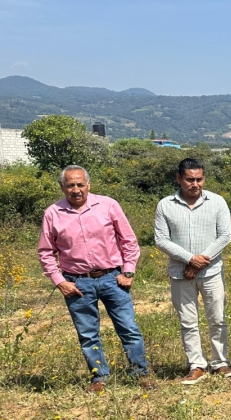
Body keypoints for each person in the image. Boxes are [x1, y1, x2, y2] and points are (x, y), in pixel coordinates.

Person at [38, 165, 154, 392]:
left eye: (80, 184)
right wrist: (59, 281)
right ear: (62, 187)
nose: (76, 189)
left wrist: (128, 271)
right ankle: (99, 378)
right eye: (70, 185)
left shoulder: (108, 205)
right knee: (88, 334)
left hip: (113, 278)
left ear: (88, 185)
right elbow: (45, 251)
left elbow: (129, 241)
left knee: (128, 328)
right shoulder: (53, 213)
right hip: (77, 283)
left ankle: (141, 373)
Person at [154, 158, 231, 385]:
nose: (195, 184)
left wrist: (199, 262)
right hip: (180, 273)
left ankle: (220, 363)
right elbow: (161, 240)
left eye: (199, 179)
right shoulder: (165, 205)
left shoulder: (217, 202)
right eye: (190, 179)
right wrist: (189, 259)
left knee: (217, 318)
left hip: (211, 272)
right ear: (179, 178)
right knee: (188, 321)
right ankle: (196, 365)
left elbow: (224, 236)